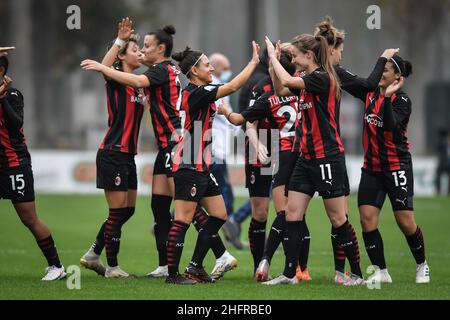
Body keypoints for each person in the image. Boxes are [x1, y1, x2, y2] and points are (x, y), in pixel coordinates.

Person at [81, 23, 235, 280]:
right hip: (162, 145)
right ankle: (165, 264)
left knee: (187, 207)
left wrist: (104, 64)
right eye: (138, 48)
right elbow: (125, 76)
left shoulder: (159, 72)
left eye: (146, 47)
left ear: (161, 49)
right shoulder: (161, 73)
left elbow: (133, 78)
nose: (142, 51)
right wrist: (117, 48)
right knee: (160, 207)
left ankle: (220, 255)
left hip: (175, 144)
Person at [263, 34, 364, 286]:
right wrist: (273, 63)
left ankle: (358, 275)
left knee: (338, 219)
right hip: (306, 158)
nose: (293, 60)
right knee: (292, 214)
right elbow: (281, 87)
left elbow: (286, 79)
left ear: (309, 56)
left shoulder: (321, 78)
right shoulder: (305, 79)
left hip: (327, 157)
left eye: (296, 56)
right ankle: (289, 274)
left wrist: (274, 58)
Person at [165, 41, 260, 284]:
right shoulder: (197, 92)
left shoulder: (200, 94)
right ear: (194, 71)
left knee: (219, 214)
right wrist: (253, 63)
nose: (212, 69)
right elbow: (234, 85)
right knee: (183, 219)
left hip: (201, 165)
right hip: (189, 163)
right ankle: (173, 275)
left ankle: (195, 266)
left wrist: (229, 112)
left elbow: (224, 112)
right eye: (207, 65)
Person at [314, 16, 400, 284]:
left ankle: (341, 272)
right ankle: (344, 273)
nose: (342, 55)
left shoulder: (316, 73)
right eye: (340, 50)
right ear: (331, 50)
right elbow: (367, 86)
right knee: (338, 216)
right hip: (324, 152)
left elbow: (365, 89)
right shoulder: (328, 72)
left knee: (326, 216)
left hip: (308, 153)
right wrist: (382, 58)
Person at [219, 49, 309, 280]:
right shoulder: (260, 88)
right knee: (260, 212)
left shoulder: (300, 87)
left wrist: (228, 112)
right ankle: (260, 265)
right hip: (261, 152)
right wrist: (257, 142)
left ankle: (298, 267)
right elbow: (249, 122)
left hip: (287, 153)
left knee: (289, 212)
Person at [344, 54, 430, 284]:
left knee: (405, 222)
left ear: (397, 76)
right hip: (372, 169)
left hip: (396, 167)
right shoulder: (368, 92)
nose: (382, 72)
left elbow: (390, 125)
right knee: (367, 219)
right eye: (382, 67)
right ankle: (381, 271)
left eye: (387, 69)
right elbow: (347, 81)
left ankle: (422, 264)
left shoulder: (402, 101)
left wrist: (387, 96)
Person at [80, 18, 144, 278]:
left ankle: (93, 254)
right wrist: (119, 40)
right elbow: (104, 67)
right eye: (135, 50)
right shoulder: (117, 79)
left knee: (128, 210)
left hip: (128, 155)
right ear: (121, 56)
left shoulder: (139, 81)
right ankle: (113, 267)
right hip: (112, 152)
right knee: (117, 211)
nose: (140, 53)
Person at [0, 55, 66, 281]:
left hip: (14, 165)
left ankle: (56, 266)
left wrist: (1, 99)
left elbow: (16, 123)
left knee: (29, 218)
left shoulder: (13, 95)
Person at [208, 53, 243, 249]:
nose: (227, 72)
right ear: (215, 67)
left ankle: (170, 220)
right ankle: (228, 227)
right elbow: (226, 119)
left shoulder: (215, 87)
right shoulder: (215, 88)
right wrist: (245, 123)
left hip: (215, 149)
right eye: (225, 68)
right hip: (214, 150)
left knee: (203, 193)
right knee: (225, 193)